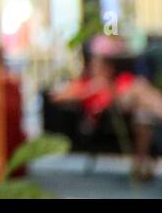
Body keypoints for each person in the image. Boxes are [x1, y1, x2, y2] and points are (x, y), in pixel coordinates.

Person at [50, 37, 162, 181]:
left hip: (130, 107)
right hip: (109, 113)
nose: (100, 67)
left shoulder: (120, 80)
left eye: (104, 63)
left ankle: (139, 166)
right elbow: (56, 97)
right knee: (139, 89)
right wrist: (89, 90)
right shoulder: (86, 84)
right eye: (97, 63)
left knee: (143, 114)